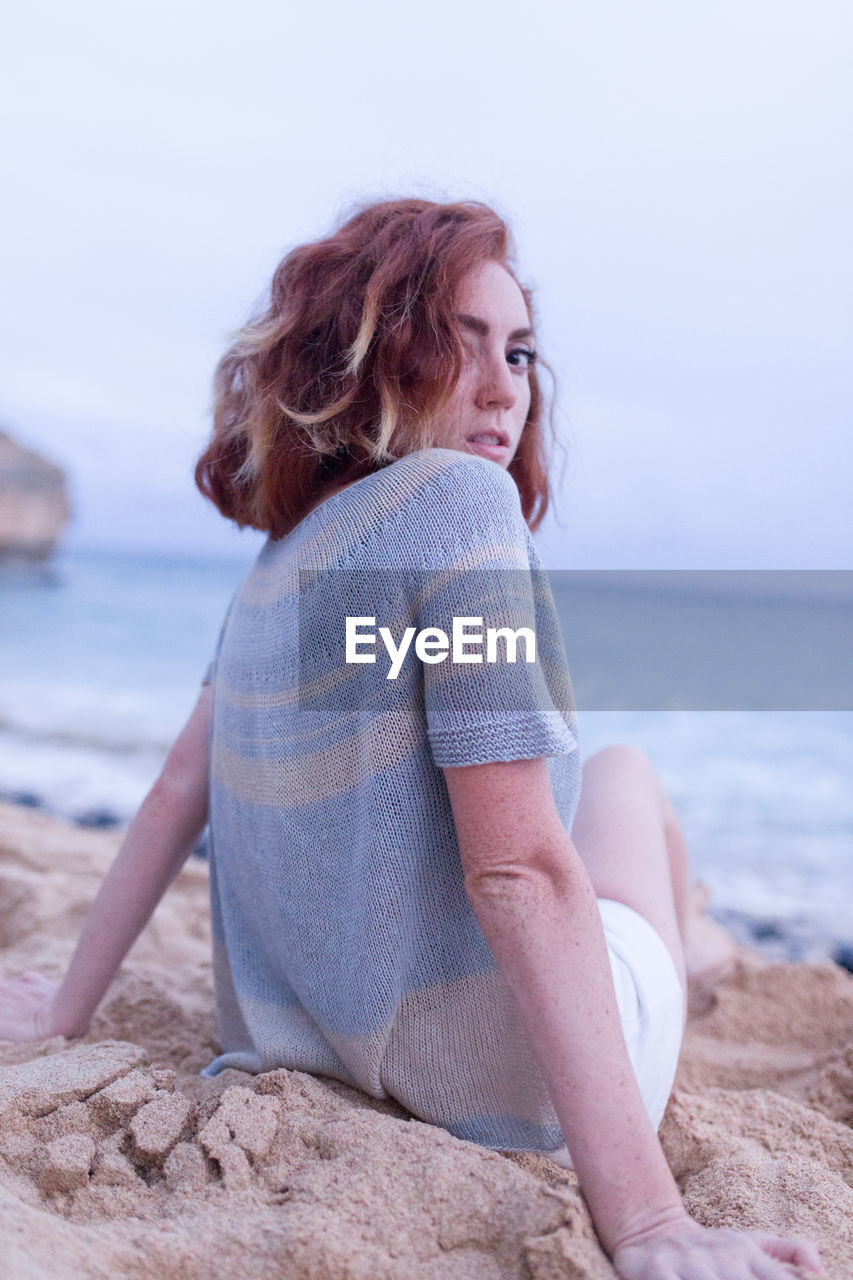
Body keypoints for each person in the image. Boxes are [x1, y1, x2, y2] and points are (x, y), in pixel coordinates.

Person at [0, 198, 826, 1279]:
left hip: (319, 1051)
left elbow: (171, 793)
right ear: (365, 356)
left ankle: (696, 935)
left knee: (598, 819)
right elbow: (518, 864)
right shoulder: (459, 506)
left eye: (520, 351)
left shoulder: (275, 570)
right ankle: (693, 939)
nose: (504, 387)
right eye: (457, 342)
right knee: (622, 774)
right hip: (522, 1080)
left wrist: (66, 1002)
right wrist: (649, 1222)